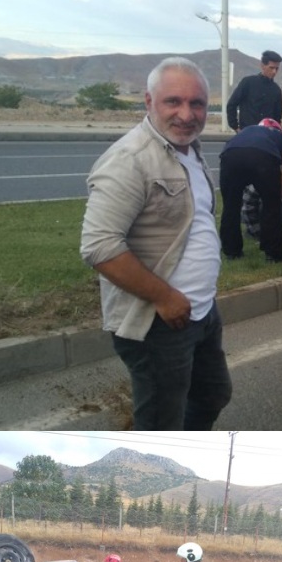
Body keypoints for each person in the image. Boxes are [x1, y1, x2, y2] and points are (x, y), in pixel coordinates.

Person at [80, 57, 232, 431]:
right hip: (159, 322)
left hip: (200, 312)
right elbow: (99, 246)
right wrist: (165, 297)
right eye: (173, 102)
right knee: (162, 422)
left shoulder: (187, 150)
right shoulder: (130, 159)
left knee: (212, 393)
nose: (187, 114)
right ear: (149, 102)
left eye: (197, 104)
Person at [219, 118, 282, 262]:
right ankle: (273, 255)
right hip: (262, 157)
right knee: (271, 207)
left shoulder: (247, 130)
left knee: (230, 206)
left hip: (230, 155)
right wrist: (278, 193)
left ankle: (232, 251)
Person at [226, 49, 282, 131]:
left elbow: (277, 118)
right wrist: (235, 127)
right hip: (248, 133)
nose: (274, 71)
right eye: (271, 68)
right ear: (263, 66)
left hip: (267, 136)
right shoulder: (248, 83)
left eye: (277, 69)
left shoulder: (276, 90)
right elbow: (232, 104)